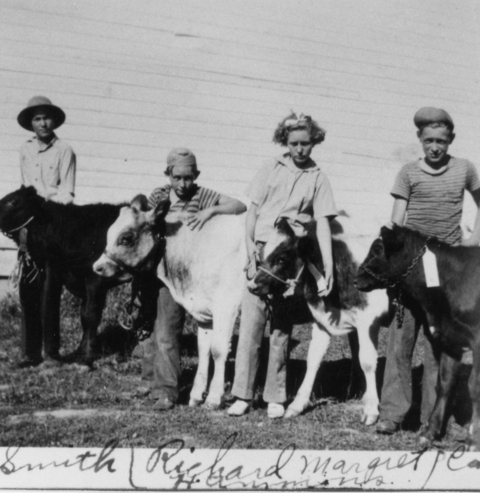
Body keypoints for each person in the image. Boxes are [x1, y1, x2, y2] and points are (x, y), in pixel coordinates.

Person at [375, 106, 480, 434]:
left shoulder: (464, 169)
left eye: (441, 140)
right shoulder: (408, 173)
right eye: (429, 140)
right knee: (402, 336)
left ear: (451, 139)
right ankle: (392, 413)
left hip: (446, 266)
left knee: (438, 339)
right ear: (419, 139)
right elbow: (396, 221)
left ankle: (433, 414)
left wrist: (473, 242)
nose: (435, 147)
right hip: (413, 264)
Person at [227, 113, 337, 419]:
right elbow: (252, 211)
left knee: (280, 327)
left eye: (306, 143)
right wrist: (250, 248)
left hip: (288, 259)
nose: (300, 149)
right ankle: (243, 395)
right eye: (294, 144)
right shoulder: (270, 168)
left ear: (314, 142)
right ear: (284, 142)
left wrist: (327, 265)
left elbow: (325, 223)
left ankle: (275, 396)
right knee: (251, 325)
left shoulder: (318, 177)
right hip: (262, 252)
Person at [139, 148, 246, 411]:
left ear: (196, 175)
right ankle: (163, 389)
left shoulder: (203, 195)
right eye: (177, 178)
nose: (183, 184)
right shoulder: (159, 196)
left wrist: (210, 212)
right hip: (168, 272)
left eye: (188, 178)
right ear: (168, 175)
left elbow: (240, 205)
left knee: (201, 324)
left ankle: (176, 385)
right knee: (165, 331)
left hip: (196, 273)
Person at [15, 95, 76, 368]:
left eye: (46, 117)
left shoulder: (65, 150)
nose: (43, 123)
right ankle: (30, 353)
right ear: (31, 123)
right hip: (30, 226)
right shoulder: (25, 150)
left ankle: (51, 353)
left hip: (53, 224)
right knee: (28, 287)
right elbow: (25, 188)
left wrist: (46, 206)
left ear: (54, 120)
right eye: (37, 118)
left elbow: (67, 193)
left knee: (50, 290)